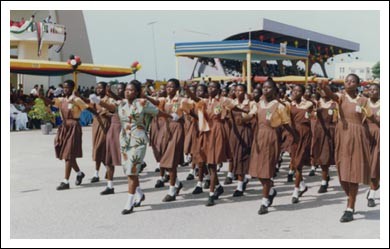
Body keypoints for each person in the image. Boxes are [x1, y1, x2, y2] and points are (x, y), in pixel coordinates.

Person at [95, 80, 172, 214]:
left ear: (136, 92)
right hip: (125, 140)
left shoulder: (143, 103)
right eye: (126, 90)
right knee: (129, 170)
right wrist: (98, 101)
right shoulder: (122, 103)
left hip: (138, 140)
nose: (127, 92)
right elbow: (112, 108)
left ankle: (129, 203)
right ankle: (140, 194)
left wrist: (171, 116)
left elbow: (158, 112)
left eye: (130, 90)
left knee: (132, 170)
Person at [319, 74, 378, 222]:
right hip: (343, 136)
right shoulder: (340, 97)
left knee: (354, 173)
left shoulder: (364, 101)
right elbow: (330, 94)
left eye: (352, 81)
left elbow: (371, 118)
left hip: (358, 136)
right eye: (346, 81)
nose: (348, 83)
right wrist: (323, 86)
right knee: (342, 172)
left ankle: (350, 207)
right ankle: (349, 197)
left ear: (358, 84)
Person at [248, 79, 297, 214]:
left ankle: (264, 202)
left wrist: (295, 136)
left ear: (274, 91)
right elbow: (250, 116)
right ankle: (271, 190)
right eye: (264, 87)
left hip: (271, 138)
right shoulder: (258, 104)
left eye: (268, 88)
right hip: (259, 137)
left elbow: (286, 123)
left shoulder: (279, 106)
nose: (265, 90)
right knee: (257, 171)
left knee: (266, 170)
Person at [145, 78, 193, 202]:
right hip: (165, 129)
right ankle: (177, 183)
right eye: (167, 87)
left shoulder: (182, 100)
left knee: (170, 160)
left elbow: (192, 110)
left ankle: (171, 191)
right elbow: (155, 101)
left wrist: (183, 119)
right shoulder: (163, 100)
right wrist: (144, 96)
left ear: (177, 89)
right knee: (162, 156)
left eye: (172, 87)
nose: (169, 89)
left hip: (177, 129)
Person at [50, 80, 93, 190]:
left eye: (68, 87)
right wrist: (41, 97)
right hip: (64, 127)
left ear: (72, 88)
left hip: (74, 126)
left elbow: (87, 108)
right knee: (67, 155)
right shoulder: (61, 100)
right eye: (64, 87)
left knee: (68, 154)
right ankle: (79, 173)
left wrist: (100, 118)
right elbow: (50, 103)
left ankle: (65, 181)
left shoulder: (76, 99)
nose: (65, 89)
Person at [289, 84, 314, 204]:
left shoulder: (308, 104)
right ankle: (302, 185)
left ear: (302, 93)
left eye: (298, 91)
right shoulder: (289, 105)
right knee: (294, 163)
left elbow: (308, 118)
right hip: (292, 134)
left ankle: (296, 190)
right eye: (294, 90)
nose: (295, 93)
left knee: (298, 163)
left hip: (304, 134)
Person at [310, 89, 337, 193]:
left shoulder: (334, 104)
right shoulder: (316, 103)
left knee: (325, 157)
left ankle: (324, 182)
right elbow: (310, 117)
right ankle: (326, 175)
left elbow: (336, 119)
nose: (324, 92)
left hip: (329, 133)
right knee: (319, 156)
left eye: (326, 90)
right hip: (318, 133)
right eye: (322, 90)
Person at [366, 83, 380, 207]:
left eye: (375, 89)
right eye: (370, 89)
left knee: (376, 164)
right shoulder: (364, 103)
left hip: (379, 136)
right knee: (368, 164)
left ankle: (372, 194)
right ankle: (374, 187)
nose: (372, 91)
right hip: (366, 136)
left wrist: (375, 119)